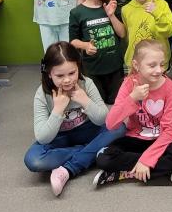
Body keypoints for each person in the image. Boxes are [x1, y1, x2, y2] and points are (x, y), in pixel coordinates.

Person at [24, 42, 124, 197]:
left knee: (119, 127)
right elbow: (43, 138)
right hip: (59, 137)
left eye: (72, 73)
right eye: (60, 76)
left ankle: (70, 167)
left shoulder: (87, 83)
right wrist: (58, 110)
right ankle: (90, 151)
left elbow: (104, 119)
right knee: (34, 160)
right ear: (49, 73)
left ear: (78, 67)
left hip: (88, 130)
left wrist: (85, 101)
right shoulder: (42, 94)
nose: (67, 80)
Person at [94, 40, 172, 186]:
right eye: (152, 65)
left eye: (162, 64)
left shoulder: (171, 88)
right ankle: (158, 170)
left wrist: (147, 159)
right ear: (136, 65)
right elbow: (111, 124)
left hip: (161, 139)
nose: (159, 70)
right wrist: (132, 98)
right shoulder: (128, 84)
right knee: (102, 157)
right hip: (135, 138)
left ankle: (126, 172)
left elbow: (169, 131)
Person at [69, 0, 126, 104]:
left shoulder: (111, 6)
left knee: (115, 102)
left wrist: (111, 15)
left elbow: (122, 33)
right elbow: (73, 41)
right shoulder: (77, 13)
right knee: (98, 104)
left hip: (115, 67)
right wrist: (85, 45)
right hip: (92, 69)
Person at [121, 0, 172, 71]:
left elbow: (170, 31)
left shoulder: (161, 4)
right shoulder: (126, 9)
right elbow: (128, 38)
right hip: (136, 64)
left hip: (158, 63)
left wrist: (156, 13)